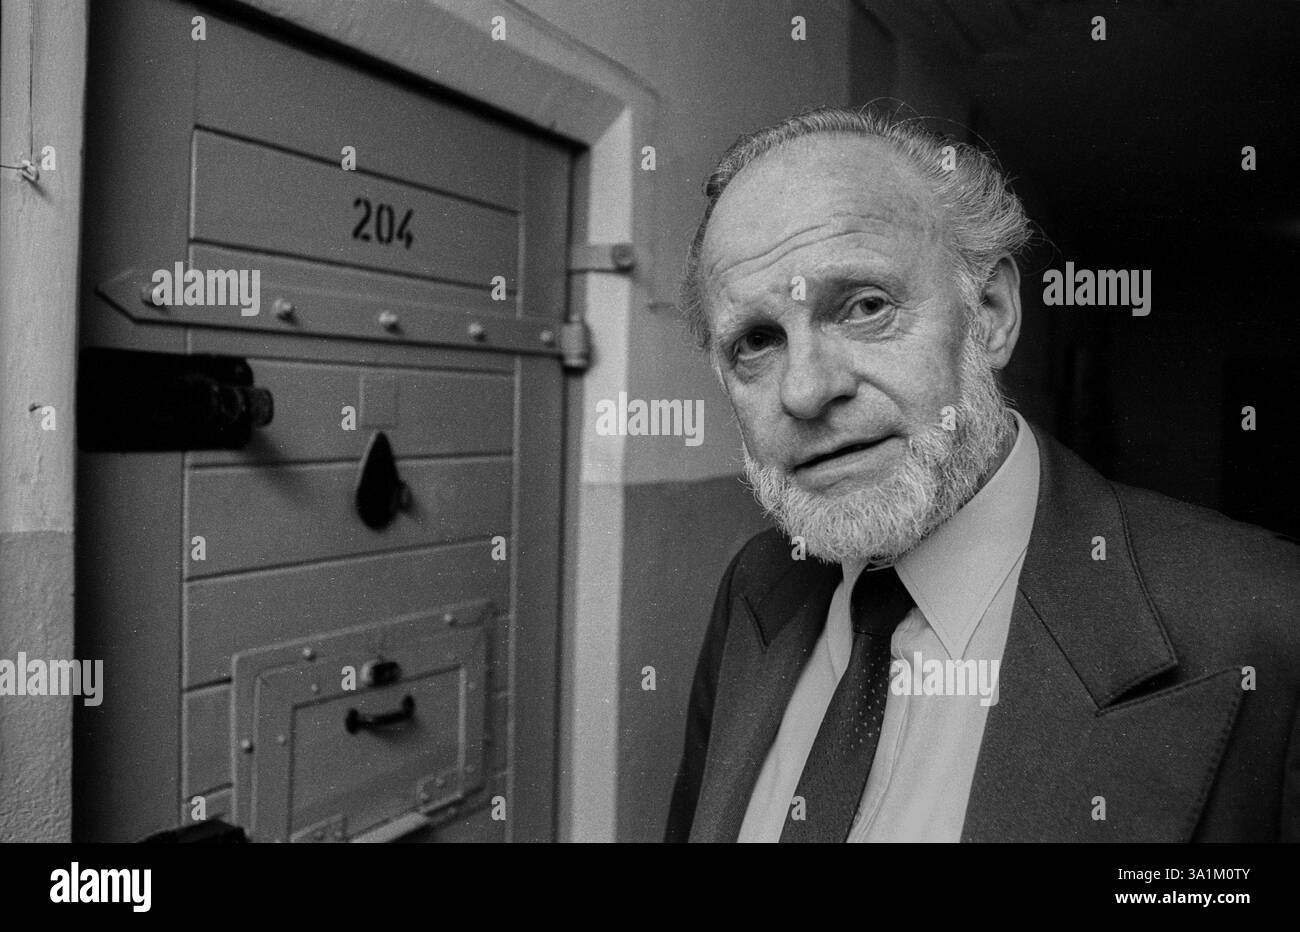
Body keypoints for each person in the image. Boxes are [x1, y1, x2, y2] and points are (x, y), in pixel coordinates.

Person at [664, 106, 1300, 843]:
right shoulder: (755, 586)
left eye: (865, 307)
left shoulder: (1264, 621)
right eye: (756, 341)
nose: (805, 391)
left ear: (991, 313)